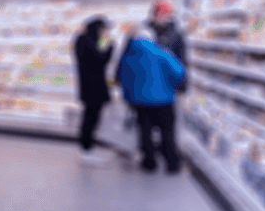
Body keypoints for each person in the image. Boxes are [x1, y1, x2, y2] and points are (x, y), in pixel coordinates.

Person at [115, 27, 186, 174]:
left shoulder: (127, 55)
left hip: (138, 102)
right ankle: (172, 164)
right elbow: (179, 72)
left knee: (144, 131)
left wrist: (129, 95)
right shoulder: (162, 53)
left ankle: (149, 163)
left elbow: (120, 77)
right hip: (163, 100)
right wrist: (168, 85)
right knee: (167, 131)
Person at [73, 16, 113, 162]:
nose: (104, 33)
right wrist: (110, 47)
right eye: (103, 30)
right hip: (93, 88)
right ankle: (87, 150)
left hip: (89, 87)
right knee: (91, 118)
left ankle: (87, 149)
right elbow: (101, 60)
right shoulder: (87, 41)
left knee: (90, 118)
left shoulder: (82, 40)